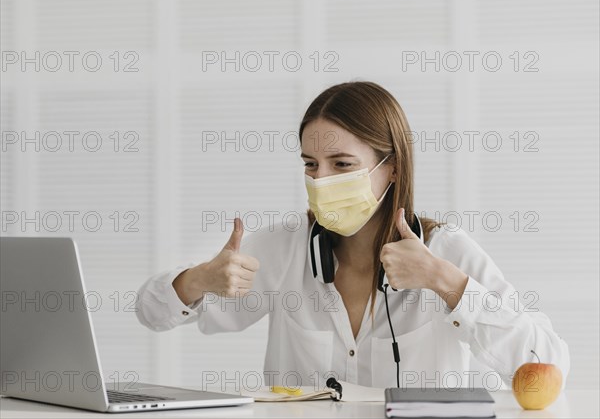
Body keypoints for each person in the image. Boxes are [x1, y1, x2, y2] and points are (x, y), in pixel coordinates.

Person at [135, 81, 570, 390]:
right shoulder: (284, 246)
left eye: (341, 164)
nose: (320, 180)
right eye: (310, 163)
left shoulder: (448, 250)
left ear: (392, 167)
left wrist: (448, 284)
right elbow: (152, 313)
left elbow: (546, 363)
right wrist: (197, 280)